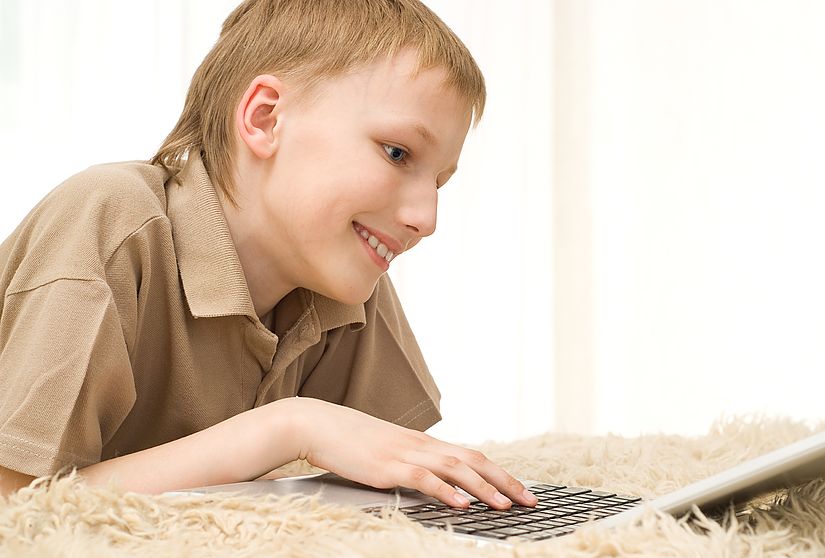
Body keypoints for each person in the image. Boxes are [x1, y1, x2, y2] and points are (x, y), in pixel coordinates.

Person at [0, 0, 538, 511]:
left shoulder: (343, 273)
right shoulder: (112, 220)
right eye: (398, 153)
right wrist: (291, 427)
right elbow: (16, 506)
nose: (427, 217)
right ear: (264, 119)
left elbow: (392, 480)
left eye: (440, 181)